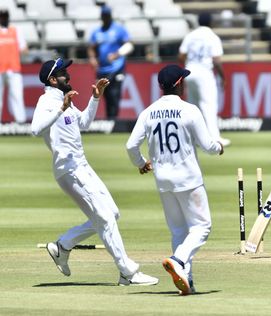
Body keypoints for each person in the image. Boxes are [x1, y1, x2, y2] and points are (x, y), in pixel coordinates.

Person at [31, 58, 158, 286]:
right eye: (63, 74)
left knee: (112, 214)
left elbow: (84, 123)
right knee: (106, 218)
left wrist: (96, 97)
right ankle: (128, 272)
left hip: (82, 166)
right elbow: (35, 129)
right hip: (68, 170)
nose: (67, 77)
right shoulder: (47, 101)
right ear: (52, 79)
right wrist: (61, 109)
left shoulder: (63, 98)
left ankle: (63, 246)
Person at [126, 64, 224, 295]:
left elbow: (131, 145)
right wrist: (219, 147)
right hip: (188, 178)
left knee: (179, 231)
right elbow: (208, 145)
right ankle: (178, 261)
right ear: (179, 83)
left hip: (163, 180)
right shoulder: (189, 110)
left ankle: (185, 279)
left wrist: (141, 163)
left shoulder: (148, 112)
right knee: (202, 227)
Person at [178, 12, 231, 147]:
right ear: (211, 23)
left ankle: (192, 138)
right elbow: (217, 61)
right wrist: (223, 77)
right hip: (204, 73)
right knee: (209, 106)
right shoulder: (212, 37)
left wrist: (186, 67)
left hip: (190, 72)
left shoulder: (190, 35)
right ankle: (215, 138)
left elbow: (181, 55)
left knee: (193, 107)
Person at [87, 5, 133, 119]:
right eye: (104, 16)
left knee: (114, 95)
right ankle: (110, 120)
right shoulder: (97, 32)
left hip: (117, 69)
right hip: (102, 70)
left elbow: (129, 45)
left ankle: (113, 121)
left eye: (107, 16)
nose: (105, 18)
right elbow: (91, 47)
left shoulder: (119, 30)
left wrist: (117, 54)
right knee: (105, 96)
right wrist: (92, 58)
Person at [0, 8, 27, 123]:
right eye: (2, 16)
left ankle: (20, 123)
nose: (4, 18)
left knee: (17, 96)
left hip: (14, 69)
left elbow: (24, 49)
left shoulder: (16, 30)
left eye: (5, 16)